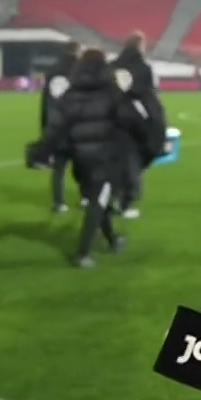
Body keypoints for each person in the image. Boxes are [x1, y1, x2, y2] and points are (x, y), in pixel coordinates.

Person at [26, 49, 143, 267]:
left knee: (99, 198)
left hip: (80, 160)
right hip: (105, 158)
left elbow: (55, 128)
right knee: (98, 202)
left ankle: (113, 239)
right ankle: (82, 253)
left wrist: (38, 152)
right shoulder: (111, 93)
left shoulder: (70, 96)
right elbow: (130, 120)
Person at [110, 30, 167, 218]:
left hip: (110, 120)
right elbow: (149, 97)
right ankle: (125, 203)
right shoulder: (143, 68)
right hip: (134, 121)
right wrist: (157, 124)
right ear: (140, 46)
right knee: (133, 161)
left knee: (115, 161)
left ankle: (111, 197)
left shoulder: (112, 66)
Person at [40, 41, 83, 212]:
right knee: (83, 164)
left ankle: (58, 202)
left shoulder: (53, 70)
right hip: (76, 124)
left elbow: (45, 102)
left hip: (56, 124)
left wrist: (45, 126)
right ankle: (85, 198)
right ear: (77, 51)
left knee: (58, 167)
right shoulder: (81, 69)